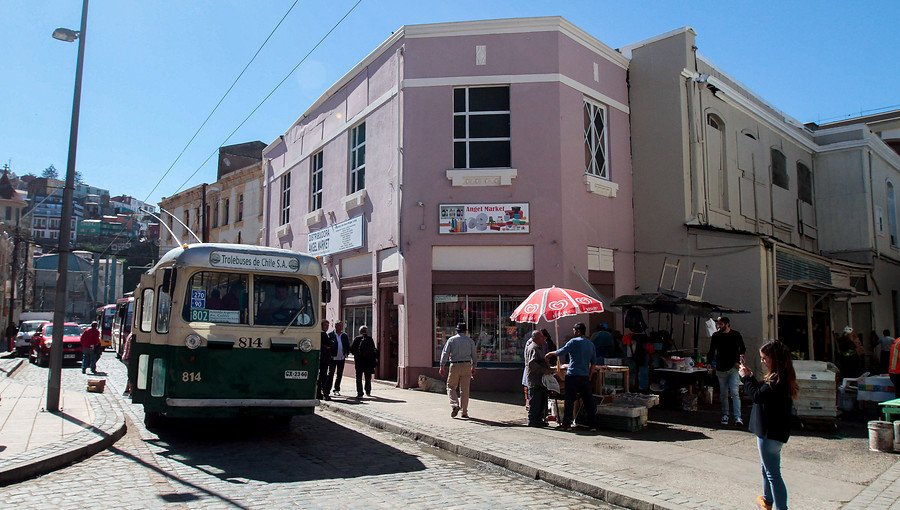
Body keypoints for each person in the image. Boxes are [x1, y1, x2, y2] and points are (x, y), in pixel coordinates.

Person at [739, 340, 798, 510]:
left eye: (765, 358)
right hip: (776, 432)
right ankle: (767, 500)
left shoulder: (776, 381)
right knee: (767, 468)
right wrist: (750, 377)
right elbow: (762, 392)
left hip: (769, 433)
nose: (763, 361)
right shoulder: (781, 377)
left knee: (773, 474)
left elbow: (757, 396)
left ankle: (780, 507)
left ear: (775, 359)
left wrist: (745, 379)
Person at [545, 322, 597, 430]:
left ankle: (566, 424)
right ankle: (592, 425)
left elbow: (562, 351)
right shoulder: (590, 344)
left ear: (578, 331)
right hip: (584, 377)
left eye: (574, 330)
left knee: (569, 401)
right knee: (588, 401)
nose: (573, 332)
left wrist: (551, 353)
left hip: (573, 375)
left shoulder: (574, 342)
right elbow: (593, 364)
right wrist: (590, 376)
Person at [707, 316, 746, 426]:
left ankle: (738, 417)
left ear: (727, 324)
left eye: (721, 324)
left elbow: (742, 348)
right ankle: (725, 415)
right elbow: (711, 350)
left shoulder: (736, 335)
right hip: (720, 367)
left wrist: (740, 359)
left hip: (733, 367)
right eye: (718, 324)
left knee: (735, 392)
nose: (719, 326)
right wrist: (709, 362)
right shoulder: (716, 335)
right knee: (723, 394)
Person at [439, 322, 477, 419]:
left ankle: (455, 405)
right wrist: (474, 366)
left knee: (451, 387)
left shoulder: (451, 340)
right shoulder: (470, 341)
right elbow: (474, 355)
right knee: (464, 390)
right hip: (467, 365)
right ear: (466, 331)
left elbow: (445, 353)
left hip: (455, 365)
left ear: (457, 330)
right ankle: (464, 412)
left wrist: (442, 365)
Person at [525, 330, 554, 427]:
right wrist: (544, 370)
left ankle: (539, 419)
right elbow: (532, 364)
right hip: (535, 379)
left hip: (541, 380)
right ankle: (533, 420)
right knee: (535, 400)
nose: (543, 339)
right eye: (541, 337)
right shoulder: (533, 348)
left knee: (541, 399)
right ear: (536, 338)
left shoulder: (541, 347)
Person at [350, 325, 378, 398]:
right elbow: (373, 350)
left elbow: (352, 350)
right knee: (368, 377)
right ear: (366, 332)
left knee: (359, 378)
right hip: (368, 362)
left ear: (360, 331)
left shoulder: (356, 339)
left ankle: (360, 393)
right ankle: (368, 391)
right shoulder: (370, 339)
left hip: (359, 361)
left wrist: (357, 354)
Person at [328, 321, 351, 396]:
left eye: (341, 326)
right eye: (339, 326)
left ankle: (336, 389)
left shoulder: (344, 335)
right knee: (330, 374)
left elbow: (347, 345)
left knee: (339, 374)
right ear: (335, 326)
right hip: (333, 358)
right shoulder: (330, 335)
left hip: (341, 358)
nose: (340, 327)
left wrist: (346, 353)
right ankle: (327, 389)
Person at [317, 320, 336, 401]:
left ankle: (319, 393)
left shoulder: (323, 334)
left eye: (328, 326)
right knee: (323, 376)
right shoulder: (322, 334)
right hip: (323, 359)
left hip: (323, 359)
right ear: (321, 326)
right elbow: (329, 343)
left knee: (321, 376)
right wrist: (330, 343)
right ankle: (324, 393)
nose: (327, 327)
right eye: (325, 325)